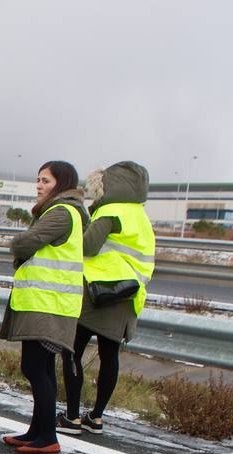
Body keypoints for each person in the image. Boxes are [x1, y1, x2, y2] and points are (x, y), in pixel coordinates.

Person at [0, 161, 89, 454]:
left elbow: (28, 242)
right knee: (40, 367)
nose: (39, 185)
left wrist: (17, 243)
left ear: (61, 184)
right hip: (44, 302)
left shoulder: (62, 212)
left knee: (36, 367)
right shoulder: (61, 211)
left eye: (46, 181)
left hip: (49, 304)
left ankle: (47, 436)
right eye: (38, 179)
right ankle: (37, 430)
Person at [59, 161, 155, 436]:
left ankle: (72, 417)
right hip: (127, 294)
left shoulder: (111, 211)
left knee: (72, 350)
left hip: (99, 292)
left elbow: (88, 246)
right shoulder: (142, 217)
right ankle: (97, 417)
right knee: (109, 356)